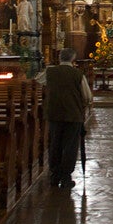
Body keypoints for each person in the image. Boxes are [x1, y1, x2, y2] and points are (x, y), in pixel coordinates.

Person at [43, 48, 92, 190]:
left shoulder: (49, 72)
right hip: (73, 115)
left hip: (54, 114)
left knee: (55, 144)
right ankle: (66, 177)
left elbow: (37, 84)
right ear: (73, 59)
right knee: (70, 146)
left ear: (59, 58)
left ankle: (54, 175)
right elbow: (87, 97)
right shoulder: (78, 74)